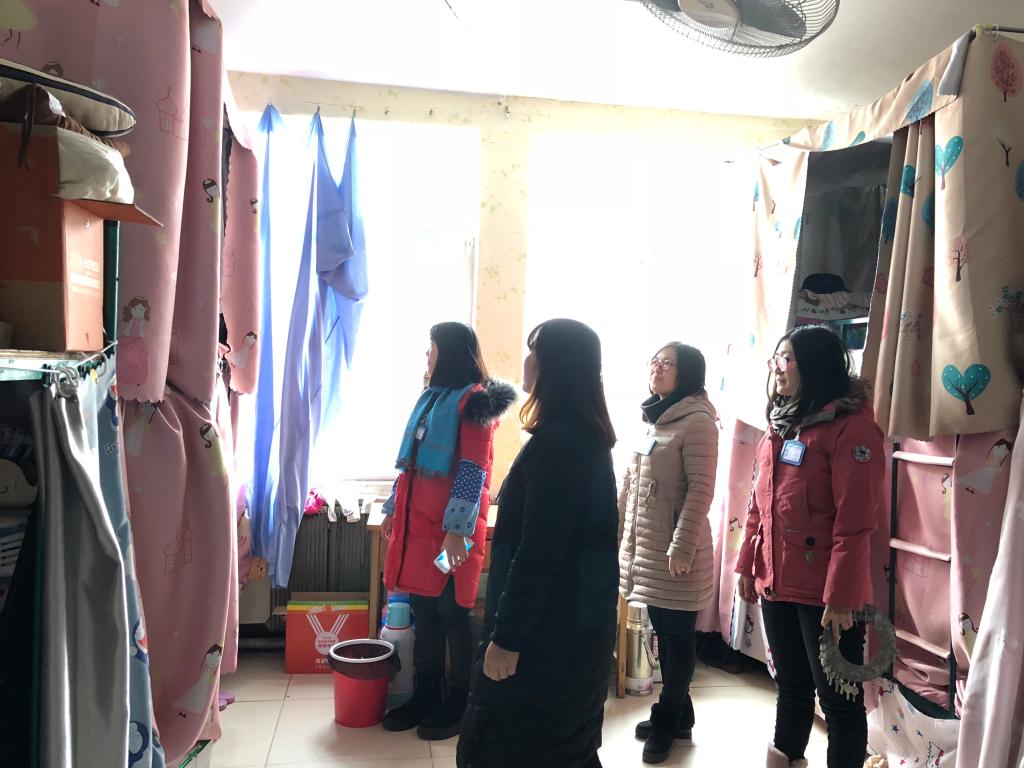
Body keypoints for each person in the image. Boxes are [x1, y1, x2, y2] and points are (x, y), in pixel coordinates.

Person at [457, 319, 620, 768]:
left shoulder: (561, 444)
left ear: (556, 365)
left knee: (517, 745)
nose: (526, 360)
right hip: (569, 631)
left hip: (549, 638)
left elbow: (539, 555)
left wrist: (507, 639)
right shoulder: (576, 436)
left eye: (535, 350)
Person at [735, 325, 884, 768]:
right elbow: (759, 505)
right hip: (777, 583)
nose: (777, 369)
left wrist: (841, 597)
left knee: (839, 703)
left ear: (815, 366)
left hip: (827, 598)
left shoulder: (853, 429)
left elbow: (856, 523)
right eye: (775, 360)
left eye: (786, 359)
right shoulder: (781, 425)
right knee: (791, 687)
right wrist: (748, 565)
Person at [381, 322, 516, 740]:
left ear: (451, 352)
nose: (427, 354)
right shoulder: (432, 400)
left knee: (452, 611)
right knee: (423, 608)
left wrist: (457, 532)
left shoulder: (473, 404)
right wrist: (392, 508)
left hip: (449, 535)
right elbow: (410, 465)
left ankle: (460, 699)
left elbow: (473, 471)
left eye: (433, 346)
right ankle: (427, 693)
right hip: (419, 531)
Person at [618, 342, 719, 764]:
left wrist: (682, 545)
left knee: (676, 641)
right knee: (665, 634)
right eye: (655, 361)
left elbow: (701, 491)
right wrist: (619, 531)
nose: (657, 368)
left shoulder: (698, 422)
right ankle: (682, 715)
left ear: (688, 372)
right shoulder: (656, 419)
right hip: (649, 550)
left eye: (667, 363)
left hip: (678, 555)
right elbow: (633, 484)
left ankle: (667, 718)